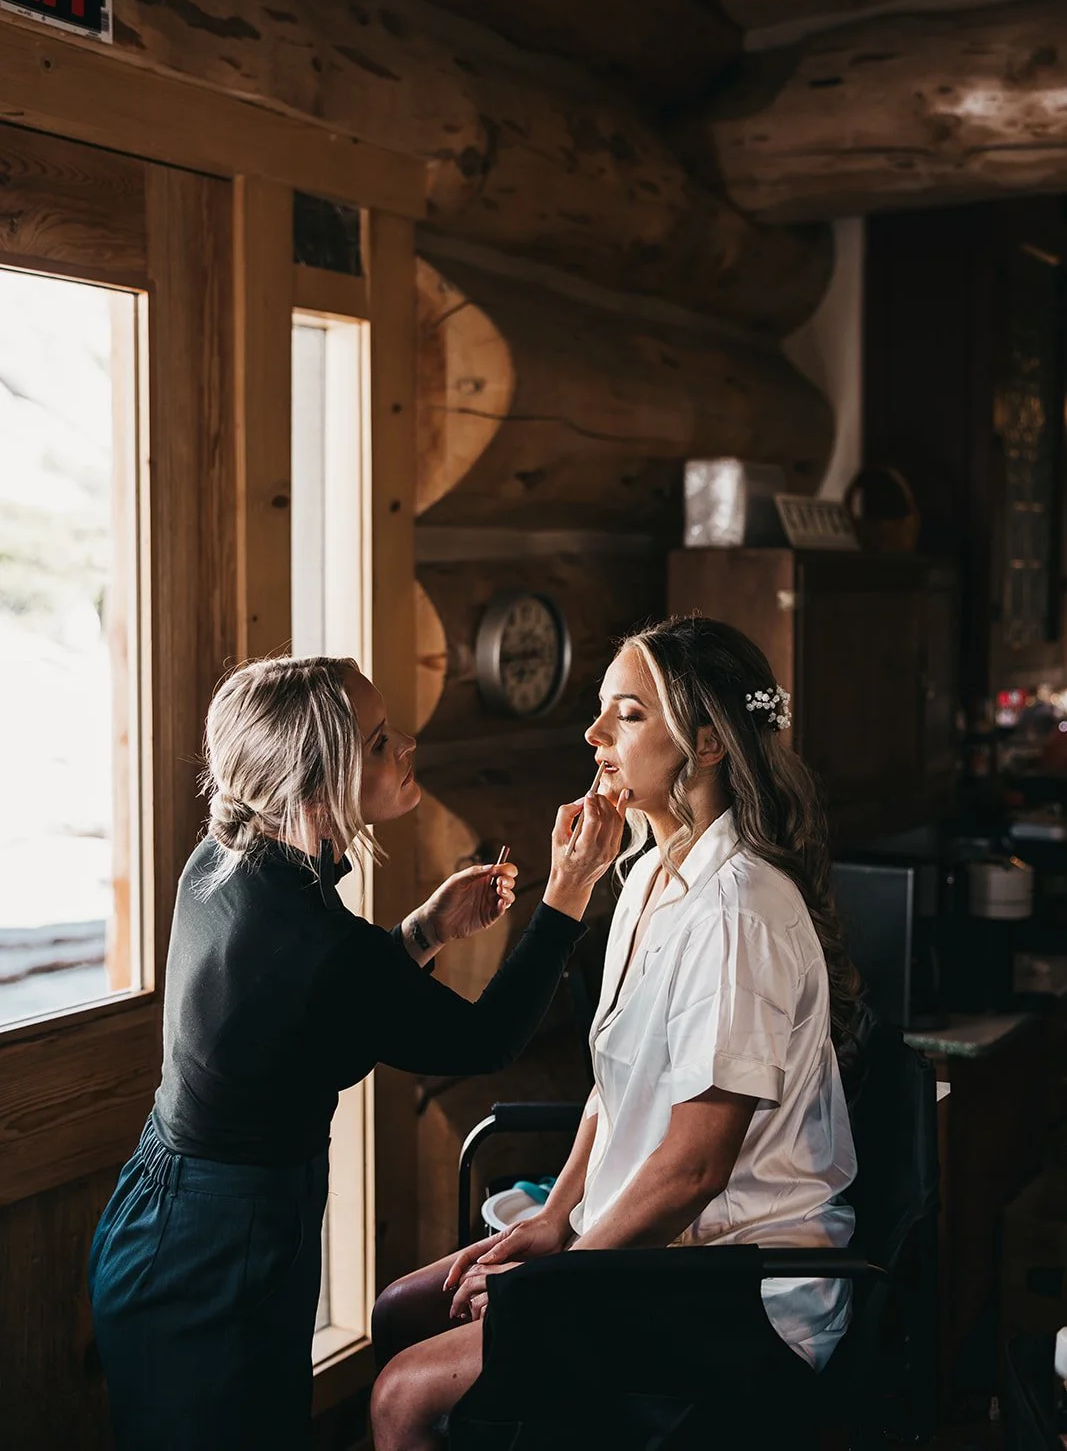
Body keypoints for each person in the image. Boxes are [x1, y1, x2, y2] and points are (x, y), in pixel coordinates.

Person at [87, 654, 629, 1451]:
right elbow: (484, 1041)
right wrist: (567, 892)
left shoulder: (222, 857)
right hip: (214, 1242)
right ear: (316, 786)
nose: (406, 743)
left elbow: (309, 1005)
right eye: (378, 743)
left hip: (174, 1207)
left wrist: (424, 932)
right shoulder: (319, 945)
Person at [370, 615, 865, 1451]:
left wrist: (560, 1278)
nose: (593, 734)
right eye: (602, 711)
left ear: (706, 743)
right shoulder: (644, 874)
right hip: (650, 1249)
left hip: (737, 1287)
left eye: (627, 715)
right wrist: (556, 1216)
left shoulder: (736, 910)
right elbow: (614, 1085)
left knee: (400, 1400)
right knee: (398, 1311)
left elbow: (695, 1167)